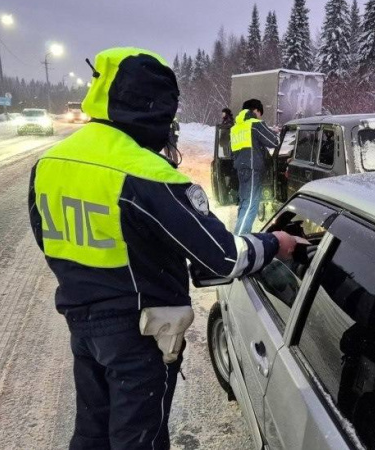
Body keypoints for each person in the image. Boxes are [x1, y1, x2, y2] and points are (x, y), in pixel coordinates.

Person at [27, 47, 297, 450]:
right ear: (154, 109)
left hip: (81, 323)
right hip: (139, 333)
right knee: (140, 440)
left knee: (92, 433)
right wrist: (276, 242)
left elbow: (47, 238)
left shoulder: (51, 163)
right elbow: (222, 257)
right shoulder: (147, 173)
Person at [230, 99, 280, 234]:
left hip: (241, 169)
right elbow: (274, 142)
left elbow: (231, 152)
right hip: (253, 170)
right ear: (256, 110)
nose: (260, 117)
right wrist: (275, 133)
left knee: (244, 203)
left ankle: (240, 233)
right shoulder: (255, 124)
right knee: (251, 204)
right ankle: (240, 237)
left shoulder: (236, 128)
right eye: (260, 113)